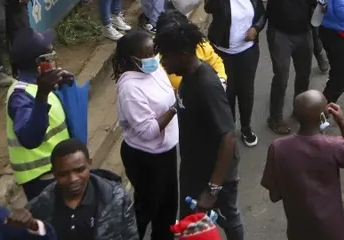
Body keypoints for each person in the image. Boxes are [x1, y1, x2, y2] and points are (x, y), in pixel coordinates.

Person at [154, 19, 243, 240]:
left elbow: (228, 137)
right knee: (189, 223)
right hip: (193, 171)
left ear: (184, 53)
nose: (163, 62)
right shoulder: (187, 78)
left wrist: (213, 189)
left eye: (167, 56)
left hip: (214, 176)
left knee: (228, 219)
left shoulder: (206, 85)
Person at [260, 90, 344, 240]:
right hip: (332, 229)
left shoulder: (278, 147)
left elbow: (274, 195)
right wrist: (342, 122)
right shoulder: (333, 145)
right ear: (323, 116)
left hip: (299, 230)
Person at [113, 30, 178, 240]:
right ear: (133, 59)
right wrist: (175, 108)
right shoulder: (130, 88)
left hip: (165, 151)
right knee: (148, 206)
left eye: (154, 52)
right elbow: (149, 131)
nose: (153, 58)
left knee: (168, 204)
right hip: (145, 157)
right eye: (147, 55)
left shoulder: (154, 68)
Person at [5, 28, 75, 201]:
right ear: (41, 64)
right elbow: (30, 138)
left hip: (59, 170)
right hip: (43, 180)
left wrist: (66, 85)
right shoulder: (20, 96)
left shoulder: (41, 84)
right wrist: (42, 95)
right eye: (51, 54)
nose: (55, 57)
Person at [262, 0, 320, 136]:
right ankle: (275, 116)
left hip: (303, 32)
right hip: (280, 32)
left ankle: (300, 110)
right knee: (282, 76)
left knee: (303, 75)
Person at [203, 0, 265, 148]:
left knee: (246, 91)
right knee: (226, 92)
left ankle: (245, 127)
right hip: (223, 53)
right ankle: (227, 128)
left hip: (247, 52)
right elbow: (208, 8)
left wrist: (256, 28)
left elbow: (262, 14)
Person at [26, 139, 137, 240]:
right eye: (63, 174)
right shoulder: (40, 206)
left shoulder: (117, 199)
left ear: (90, 164)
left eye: (79, 170)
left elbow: (131, 235)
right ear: (54, 173)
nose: (73, 179)